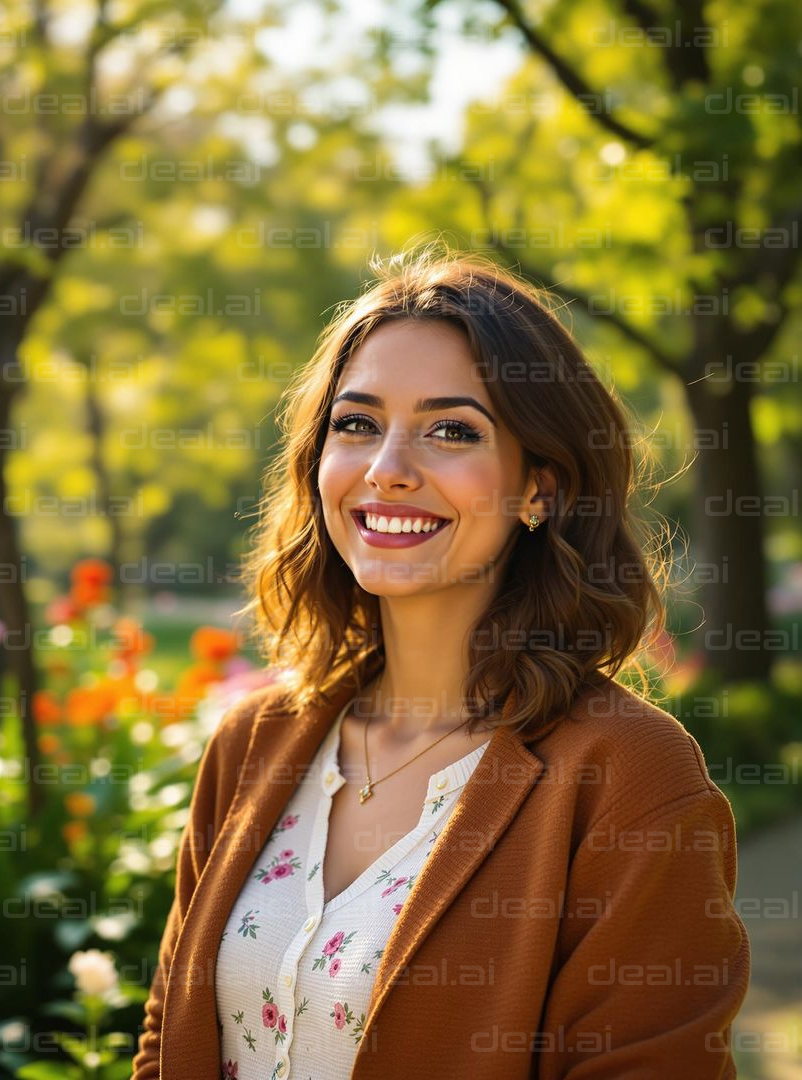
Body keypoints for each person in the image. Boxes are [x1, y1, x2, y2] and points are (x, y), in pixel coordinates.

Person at [131, 245, 750, 1080]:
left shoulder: (629, 776)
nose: (387, 471)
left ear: (541, 488)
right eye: (356, 425)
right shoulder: (252, 743)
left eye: (451, 431)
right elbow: (168, 1042)